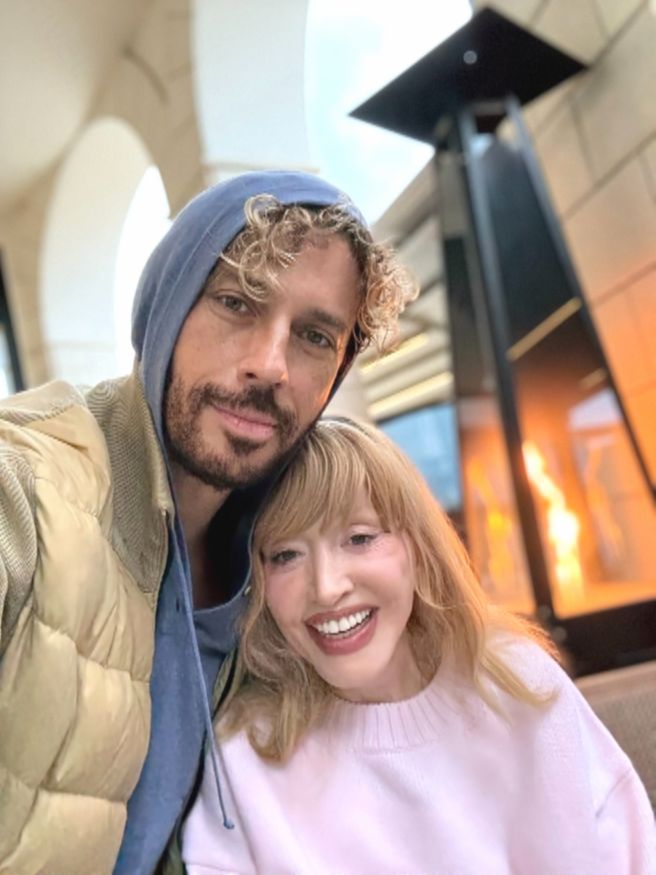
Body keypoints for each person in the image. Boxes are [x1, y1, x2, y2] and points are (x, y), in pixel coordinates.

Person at [0, 172, 415, 874]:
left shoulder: (286, 565)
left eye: (315, 336)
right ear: (168, 305)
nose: (270, 366)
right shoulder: (32, 487)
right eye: (236, 302)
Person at [180, 417, 656, 875]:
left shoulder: (518, 681)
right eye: (285, 555)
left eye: (359, 539)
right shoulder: (245, 754)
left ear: (417, 548)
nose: (326, 587)